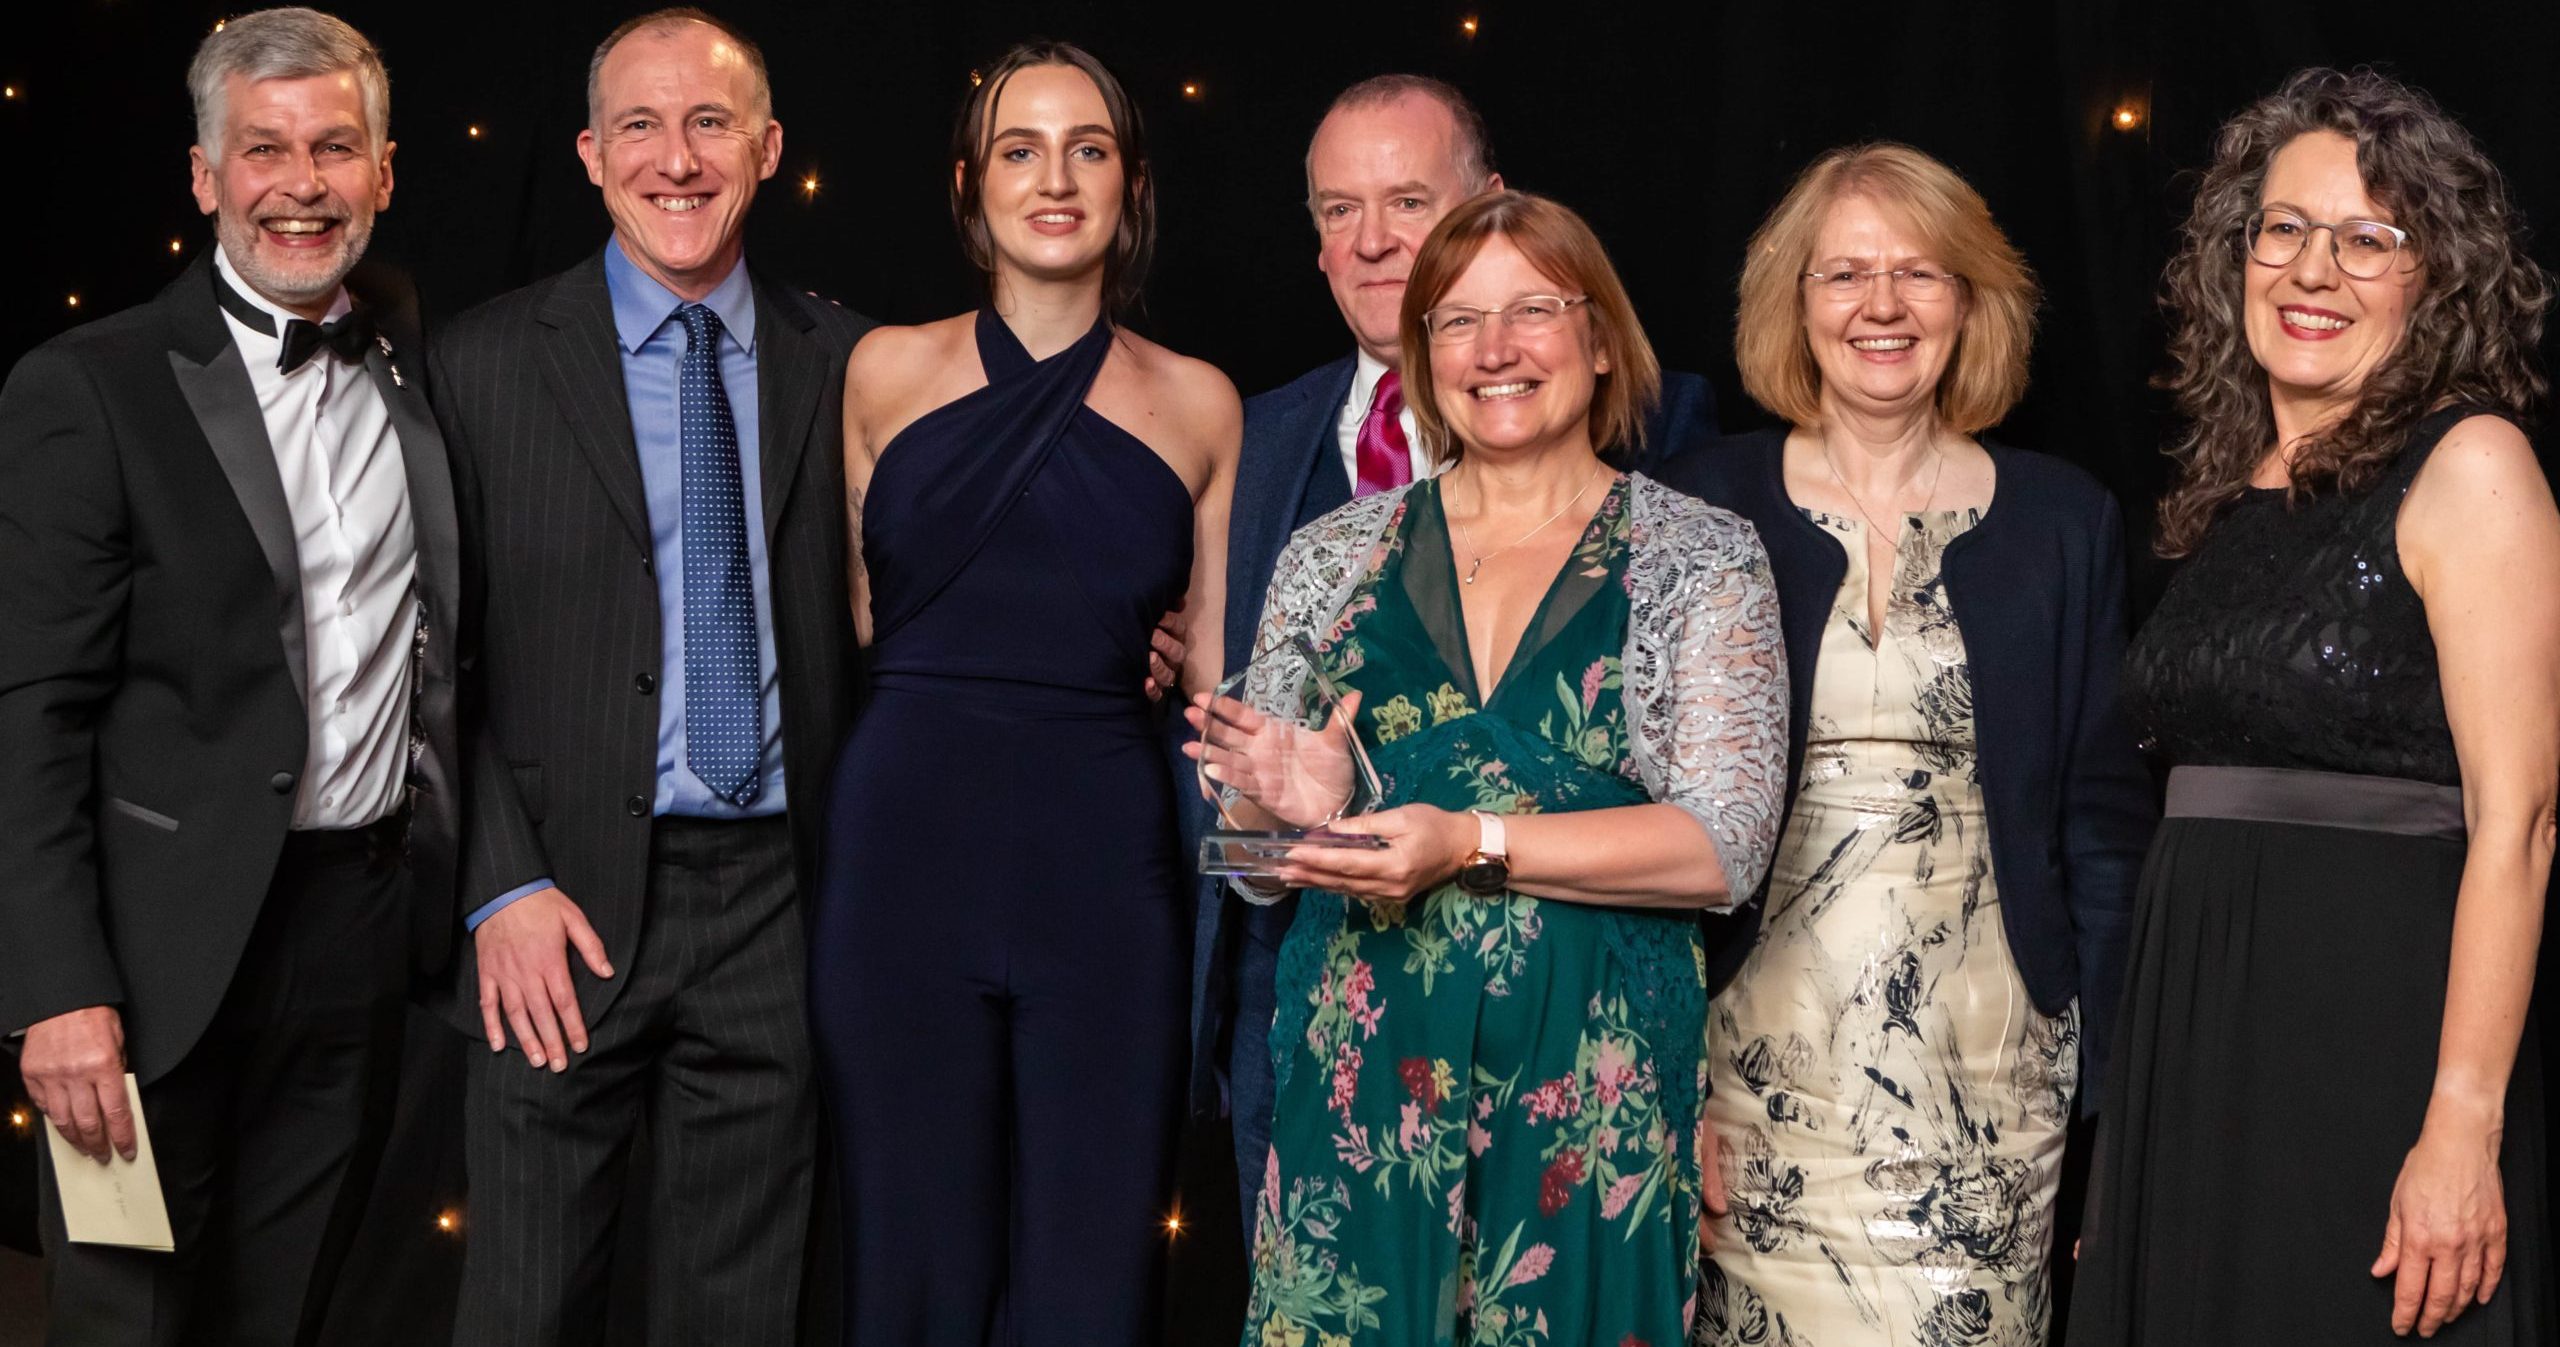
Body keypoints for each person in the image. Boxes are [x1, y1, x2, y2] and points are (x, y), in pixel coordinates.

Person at [1203, 190, 1785, 1346]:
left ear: (1601, 337)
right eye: (1457, 323)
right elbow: (1250, 864)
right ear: (1421, 356)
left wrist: (1466, 844)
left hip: (1590, 1105)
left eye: (1533, 311)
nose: (1496, 351)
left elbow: (1723, 847)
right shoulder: (1333, 557)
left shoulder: (1695, 554)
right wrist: (1281, 801)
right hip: (1362, 1096)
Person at [2071, 67, 2558, 1345]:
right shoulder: (2224, 492)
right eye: (2281, 229)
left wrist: (2461, 1122)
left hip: (2369, 1047)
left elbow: (2520, 824)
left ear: (2434, 277)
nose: (2312, 270)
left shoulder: (2470, 466)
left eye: (2366, 239)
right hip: (2200, 1044)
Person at [0, 9, 462, 1342]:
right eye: (262, 149)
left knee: (289, 1309)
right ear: (206, 177)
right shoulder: (84, 387)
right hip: (143, 959)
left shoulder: (418, 361)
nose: (299, 183)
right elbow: (29, 714)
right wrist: (54, 987)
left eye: (333, 147)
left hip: (355, 935)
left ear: (383, 170)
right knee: (122, 1313)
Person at [1657, 142, 2155, 1344]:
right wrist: (1655, 1083)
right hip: (1749, 1069)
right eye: (1845, 276)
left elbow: (2100, 827)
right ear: (1794, 303)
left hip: (1987, 1076)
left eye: (1920, 275)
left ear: (1971, 303)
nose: (1882, 307)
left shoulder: (2062, 518)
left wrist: (2119, 1101)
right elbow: (1641, 807)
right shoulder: (1693, 503)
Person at [425, 10, 873, 1341]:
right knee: (522, 1303)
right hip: (553, 909)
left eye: (710, 121)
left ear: (770, 148)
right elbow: (426, 658)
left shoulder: (856, 364)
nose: (675, 158)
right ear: (587, 152)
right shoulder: (481, 363)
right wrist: (497, 880)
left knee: (738, 1311)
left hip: (776, 908)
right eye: (639, 124)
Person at [809, 40, 1239, 1345]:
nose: (1055, 177)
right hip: (901, 858)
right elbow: (855, 623)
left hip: (1106, 869)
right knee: (910, 1258)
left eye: (1089, 147)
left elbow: (1215, 686)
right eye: (1020, 148)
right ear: (969, 183)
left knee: (1094, 1270)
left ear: (1131, 182)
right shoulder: (879, 369)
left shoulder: (1201, 403)